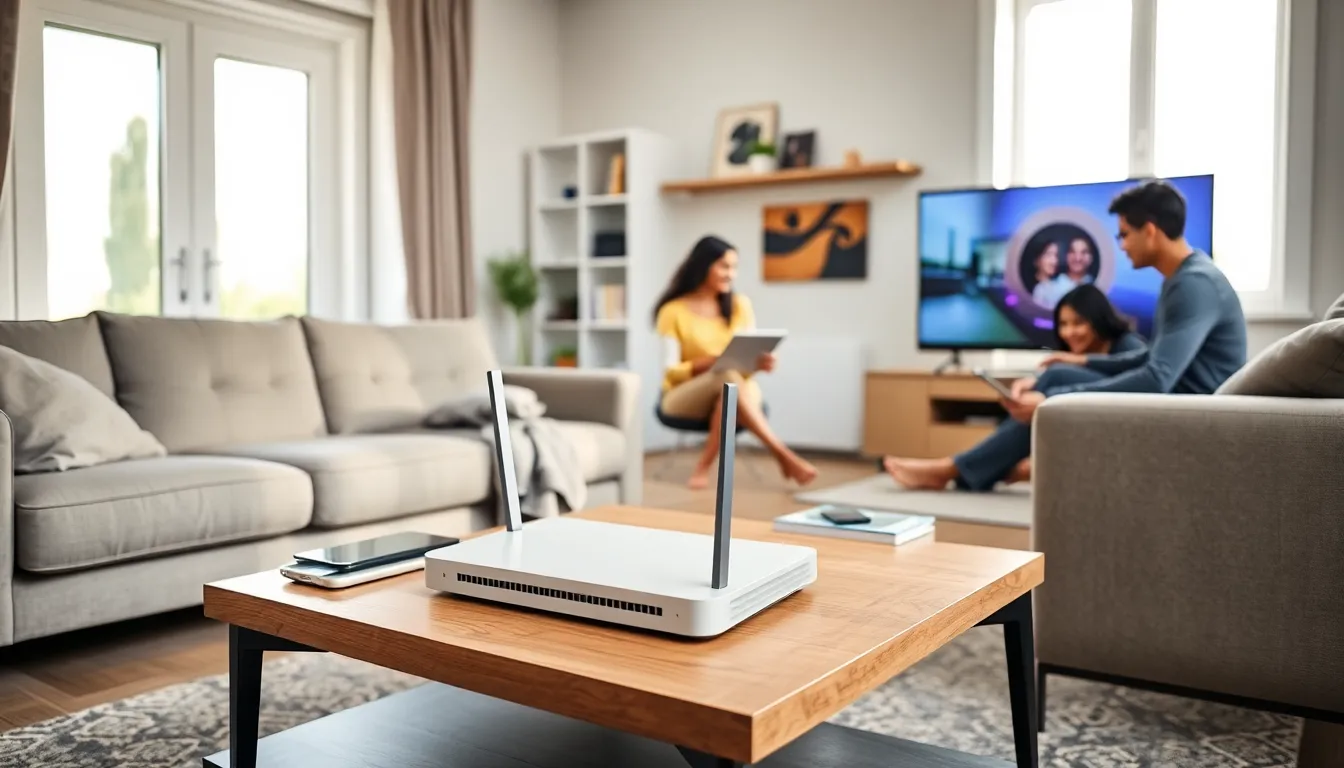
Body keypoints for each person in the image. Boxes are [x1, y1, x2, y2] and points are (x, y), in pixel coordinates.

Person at [884, 179, 1246, 492]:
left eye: (1124, 234)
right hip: (1174, 397)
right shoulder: (1180, 279)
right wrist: (1081, 359)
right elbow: (1153, 359)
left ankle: (956, 469)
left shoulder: (1193, 284)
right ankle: (979, 466)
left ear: (1149, 230)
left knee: (1055, 389)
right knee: (1056, 373)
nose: (1121, 244)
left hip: (1189, 412)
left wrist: (1053, 401)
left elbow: (1157, 377)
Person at [881, 283, 1147, 484]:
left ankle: (953, 469)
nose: (1069, 333)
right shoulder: (1083, 355)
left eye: (1079, 323)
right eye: (1063, 324)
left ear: (1099, 319)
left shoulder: (1129, 346)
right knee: (1053, 377)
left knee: (1057, 375)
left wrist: (1045, 385)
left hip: (1123, 426)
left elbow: (1139, 386)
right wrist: (1031, 386)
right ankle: (989, 465)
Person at [654, 235, 818, 490]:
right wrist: (711, 363)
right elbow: (672, 372)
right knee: (726, 376)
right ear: (702, 266)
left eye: (734, 267)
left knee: (728, 389)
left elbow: (745, 365)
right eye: (724, 266)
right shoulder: (672, 311)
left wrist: (759, 363)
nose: (731, 274)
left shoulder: (740, 306)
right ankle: (783, 455)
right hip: (684, 395)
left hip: (735, 390)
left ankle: (703, 468)